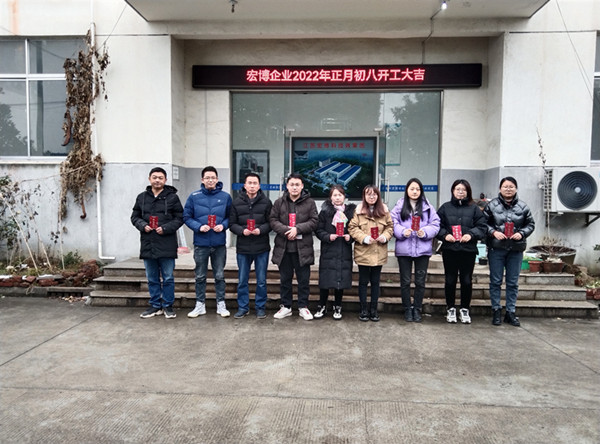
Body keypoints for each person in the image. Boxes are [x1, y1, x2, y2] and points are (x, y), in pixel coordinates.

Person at [131, 167, 184, 319]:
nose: (157, 180)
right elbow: (134, 217)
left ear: (165, 180)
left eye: (160, 178)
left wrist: (166, 228)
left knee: (168, 277)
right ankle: (155, 305)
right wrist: (142, 225)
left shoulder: (172, 198)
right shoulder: (142, 197)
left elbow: (180, 218)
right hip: (148, 243)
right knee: (152, 278)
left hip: (167, 243)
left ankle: (168, 305)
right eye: (154, 177)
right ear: (149, 179)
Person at [483, 176, 535, 327]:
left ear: (516, 188)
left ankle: (510, 312)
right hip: (496, 248)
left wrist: (522, 233)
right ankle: (496, 310)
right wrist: (493, 232)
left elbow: (530, 224)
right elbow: (483, 223)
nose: (508, 189)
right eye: (505, 186)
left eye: (511, 186)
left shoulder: (523, 207)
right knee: (496, 281)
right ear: (500, 188)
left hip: (515, 249)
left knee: (512, 282)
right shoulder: (491, 206)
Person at [183, 166, 233, 318]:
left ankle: (221, 304)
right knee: (200, 276)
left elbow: (231, 217)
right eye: (207, 178)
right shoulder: (194, 197)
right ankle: (200, 305)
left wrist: (223, 225)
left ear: (217, 179)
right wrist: (198, 227)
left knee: (219, 275)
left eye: (213, 177)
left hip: (219, 243)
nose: (210, 180)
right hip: (201, 243)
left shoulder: (225, 197)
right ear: (202, 180)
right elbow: (186, 217)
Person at [436, 179, 487, 324]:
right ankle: (450, 308)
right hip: (450, 249)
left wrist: (471, 234)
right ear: (453, 191)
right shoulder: (445, 208)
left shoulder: (474, 208)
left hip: (468, 250)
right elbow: (437, 225)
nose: (460, 192)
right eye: (457, 189)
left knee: (466, 280)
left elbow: (482, 226)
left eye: (463, 190)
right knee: (450, 280)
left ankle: (465, 308)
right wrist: (445, 235)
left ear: (468, 192)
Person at [269, 173, 318, 320]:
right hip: (284, 248)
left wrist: (298, 229)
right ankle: (286, 306)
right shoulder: (279, 202)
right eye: (292, 184)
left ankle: (303, 306)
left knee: (303, 280)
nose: (294, 187)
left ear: (302, 186)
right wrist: (286, 230)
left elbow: (314, 221)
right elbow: (273, 220)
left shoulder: (310, 203)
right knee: (285, 279)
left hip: (302, 248)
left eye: (297, 185)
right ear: (287, 186)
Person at [391, 178, 440, 323]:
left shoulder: (427, 207)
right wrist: (402, 231)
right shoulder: (399, 206)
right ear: (407, 190)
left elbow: (435, 223)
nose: (415, 192)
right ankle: (407, 308)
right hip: (404, 250)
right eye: (412, 189)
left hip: (422, 250)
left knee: (420, 281)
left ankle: (417, 308)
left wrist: (425, 232)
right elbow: (392, 222)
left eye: (417, 189)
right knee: (405, 281)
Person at [229, 172, 273, 319]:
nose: (252, 186)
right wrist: (242, 231)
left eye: (255, 183)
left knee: (261, 281)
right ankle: (243, 307)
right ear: (245, 185)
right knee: (242, 280)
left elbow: (271, 223)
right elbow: (232, 224)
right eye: (250, 183)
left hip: (261, 247)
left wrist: (261, 230)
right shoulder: (236, 202)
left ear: (259, 186)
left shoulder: (266, 202)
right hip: (243, 247)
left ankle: (260, 307)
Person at [348, 185, 393, 322]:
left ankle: (374, 310)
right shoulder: (358, 211)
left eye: (374, 194)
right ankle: (363, 310)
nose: (372, 197)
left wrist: (385, 236)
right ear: (364, 196)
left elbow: (390, 227)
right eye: (368, 194)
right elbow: (352, 227)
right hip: (363, 251)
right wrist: (364, 238)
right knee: (363, 281)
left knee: (375, 282)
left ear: (378, 196)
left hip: (378, 251)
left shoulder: (384, 211)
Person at [315, 185, 356, 320]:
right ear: (330, 197)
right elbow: (318, 230)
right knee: (325, 279)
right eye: (335, 195)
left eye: (340, 195)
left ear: (344, 197)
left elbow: (356, 229)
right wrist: (327, 236)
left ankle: (338, 306)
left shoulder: (351, 213)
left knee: (340, 280)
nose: (337, 198)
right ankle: (322, 305)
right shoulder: (324, 212)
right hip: (329, 250)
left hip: (344, 250)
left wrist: (350, 237)